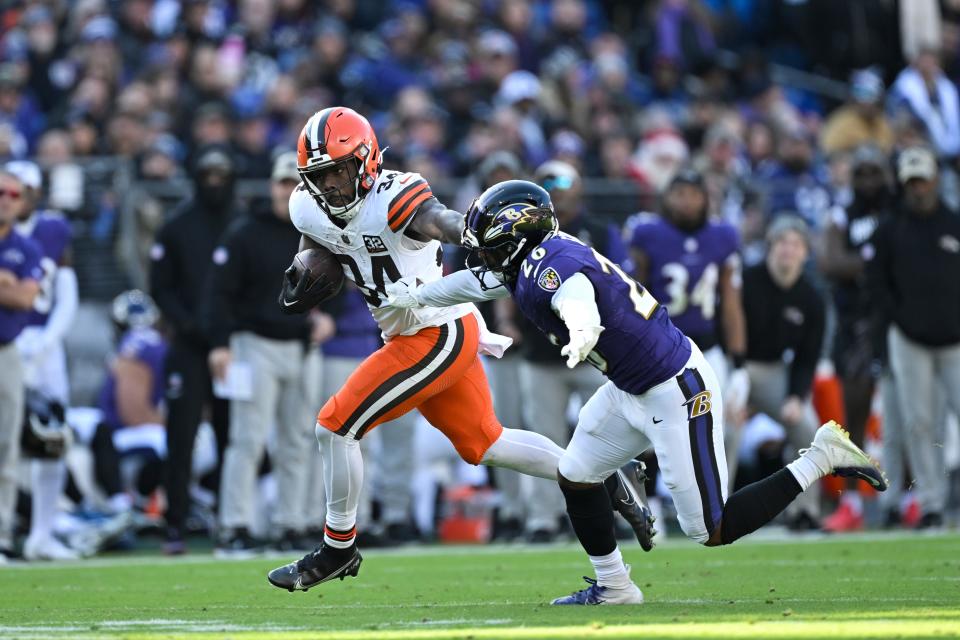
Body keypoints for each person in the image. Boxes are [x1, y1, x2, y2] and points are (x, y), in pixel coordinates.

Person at [383, 180, 886, 605]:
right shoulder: (526, 262)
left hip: (674, 388)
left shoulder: (547, 264)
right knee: (576, 474)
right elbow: (474, 284)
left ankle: (820, 456)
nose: (482, 253)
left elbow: (575, 296)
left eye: (489, 243)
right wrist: (413, 296)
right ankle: (614, 585)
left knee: (711, 528)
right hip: (628, 386)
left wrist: (581, 331)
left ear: (517, 237)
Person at [266, 107, 651, 592]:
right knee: (484, 443)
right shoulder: (308, 204)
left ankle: (338, 548)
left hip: (435, 332)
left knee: (335, 426)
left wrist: (473, 231)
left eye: (339, 171)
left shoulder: (394, 196)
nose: (332, 186)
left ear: (364, 160)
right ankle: (604, 473)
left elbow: (436, 219)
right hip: (417, 332)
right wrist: (307, 270)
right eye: (319, 176)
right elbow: (317, 239)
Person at [205, 152, 320, 556]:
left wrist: (329, 316)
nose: (289, 190)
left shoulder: (315, 231)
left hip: (302, 346)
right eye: (283, 183)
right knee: (248, 439)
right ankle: (234, 524)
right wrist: (220, 343)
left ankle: (291, 522)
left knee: (298, 440)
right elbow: (219, 293)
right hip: (254, 344)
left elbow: (341, 276)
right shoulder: (244, 234)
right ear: (272, 186)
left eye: (297, 184)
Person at [628, 169, 749, 483]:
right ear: (666, 197)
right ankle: (650, 499)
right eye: (679, 193)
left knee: (722, 426)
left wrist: (738, 363)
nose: (686, 201)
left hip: (707, 348)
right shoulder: (647, 233)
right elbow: (632, 294)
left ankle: (718, 499)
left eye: (693, 193)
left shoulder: (722, 236)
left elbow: (732, 304)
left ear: (705, 198)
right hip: (660, 348)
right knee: (651, 424)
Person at [149, 145, 237, 554]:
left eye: (222, 175)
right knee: (180, 436)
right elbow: (160, 286)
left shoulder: (241, 224)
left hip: (232, 346)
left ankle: (230, 519)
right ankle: (176, 525)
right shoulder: (177, 226)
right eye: (208, 176)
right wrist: (188, 324)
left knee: (231, 435)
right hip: (187, 345)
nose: (215, 183)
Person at [867, 146, 960, 529]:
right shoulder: (889, 229)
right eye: (911, 182)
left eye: (922, 180)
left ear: (935, 179)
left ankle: (933, 499)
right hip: (909, 338)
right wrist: (894, 327)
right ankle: (932, 502)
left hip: (955, 340)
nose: (918, 188)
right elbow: (877, 288)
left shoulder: (955, 223)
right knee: (919, 423)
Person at [818, 145, 896, 532]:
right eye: (861, 173)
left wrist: (864, 261)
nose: (868, 181)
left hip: (896, 317)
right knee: (854, 415)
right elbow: (830, 262)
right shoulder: (841, 213)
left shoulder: (898, 210)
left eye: (874, 173)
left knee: (907, 412)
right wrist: (876, 260)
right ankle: (850, 500)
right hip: (855, 322)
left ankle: (910, 497)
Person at [6, 160, 79, 561]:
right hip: (8, 341)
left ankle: (43, 532)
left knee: (53, 437)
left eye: (21, 191)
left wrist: (49, 341)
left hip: (46, 345)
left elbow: (66, 292)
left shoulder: (51, 230)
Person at [741, 215, 827, 530]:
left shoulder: (811, 298)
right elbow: (729, 332)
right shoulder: (747, 281)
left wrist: (795, 396)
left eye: (796, 244)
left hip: (776, 370)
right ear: (770, 247)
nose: (788, 250)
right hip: (738, 366)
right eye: (782, 243)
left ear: (805, 252)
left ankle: (805, 510)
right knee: (724, 425)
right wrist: (737, 381)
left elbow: (808, 357)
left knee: (808, 427)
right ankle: (714, 512)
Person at [0, 169, 42, 562]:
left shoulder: (26, 248)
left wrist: (9, 286)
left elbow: (27, 298)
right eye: (2, 191)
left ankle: (2, 534)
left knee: (5, 446)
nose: (8, 198)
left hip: (6, 351)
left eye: (15, 192)